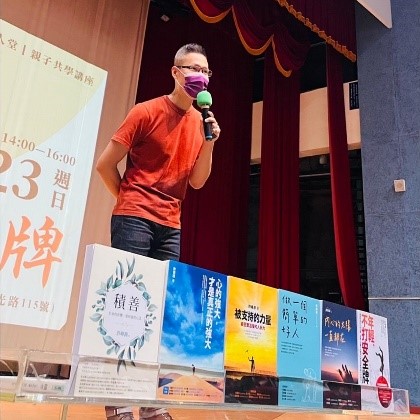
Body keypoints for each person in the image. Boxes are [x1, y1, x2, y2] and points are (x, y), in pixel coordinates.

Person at [96, 43, 221, 420]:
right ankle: (118, 401)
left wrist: (210, 142)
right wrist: (129, 201)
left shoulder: (200, 123)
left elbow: (197, 182)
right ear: (175, 72)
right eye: (193, 68)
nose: (200, 76)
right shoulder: (145, 111)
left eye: (205, 71)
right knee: (125, 308)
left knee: (159, 312)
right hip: (134, 218)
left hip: (171, 224)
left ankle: (151, 404)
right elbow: (105, 165)